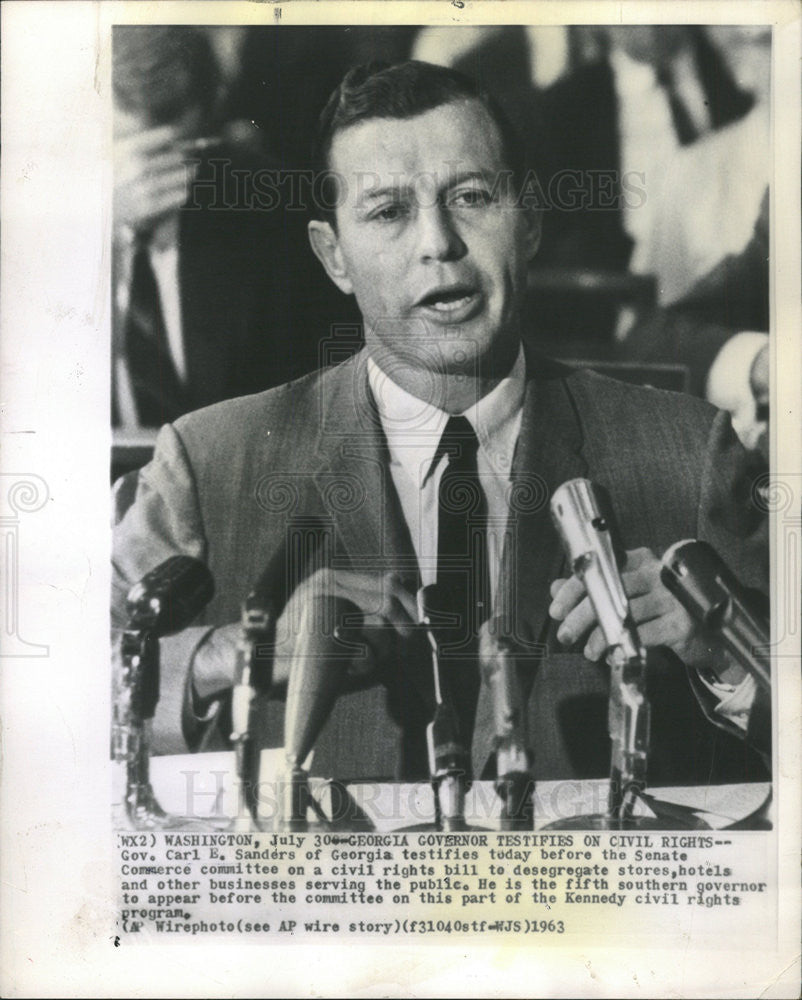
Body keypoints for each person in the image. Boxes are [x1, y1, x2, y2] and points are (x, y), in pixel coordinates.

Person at [112, 61, 769, 789]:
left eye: (472, 196)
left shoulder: (692, 452)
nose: (438, 242)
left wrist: (726, 656)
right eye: (389, 211)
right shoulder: (208, 465)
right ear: (333, 257)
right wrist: (217, 659)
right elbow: (48, 707)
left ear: (530, 225)